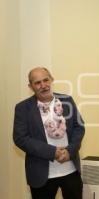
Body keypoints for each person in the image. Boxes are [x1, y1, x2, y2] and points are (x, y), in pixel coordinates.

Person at [13, 67, 85, 199]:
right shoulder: (22, 108)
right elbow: (20, 138)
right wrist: (52, 152)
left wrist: (70, 151)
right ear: (31, 86)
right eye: (37, 82)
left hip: (71, 170)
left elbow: (79, 127)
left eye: (46, 80)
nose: (43, 85)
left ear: (52, 80)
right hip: (40, 174)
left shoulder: (67, 100)